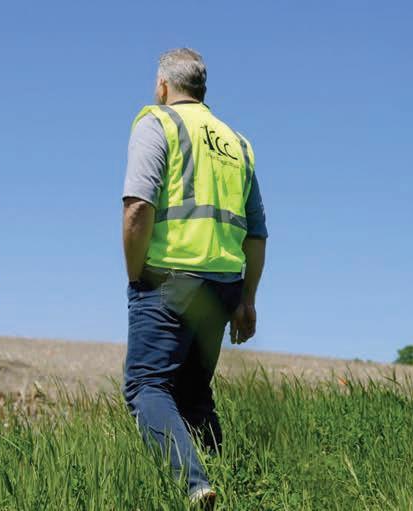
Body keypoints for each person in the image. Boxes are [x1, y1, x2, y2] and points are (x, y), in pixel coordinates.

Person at [121, 48, 267, 507]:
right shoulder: (237, 143)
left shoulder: (157, 122)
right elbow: (257, 233)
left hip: (169, 279)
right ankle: (232, 484)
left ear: (163, 86)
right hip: (222, 287)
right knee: (193, 393)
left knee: (146, 386)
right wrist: (247, 299)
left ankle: (194, 484)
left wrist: (136, 274)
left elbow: (138, 207)